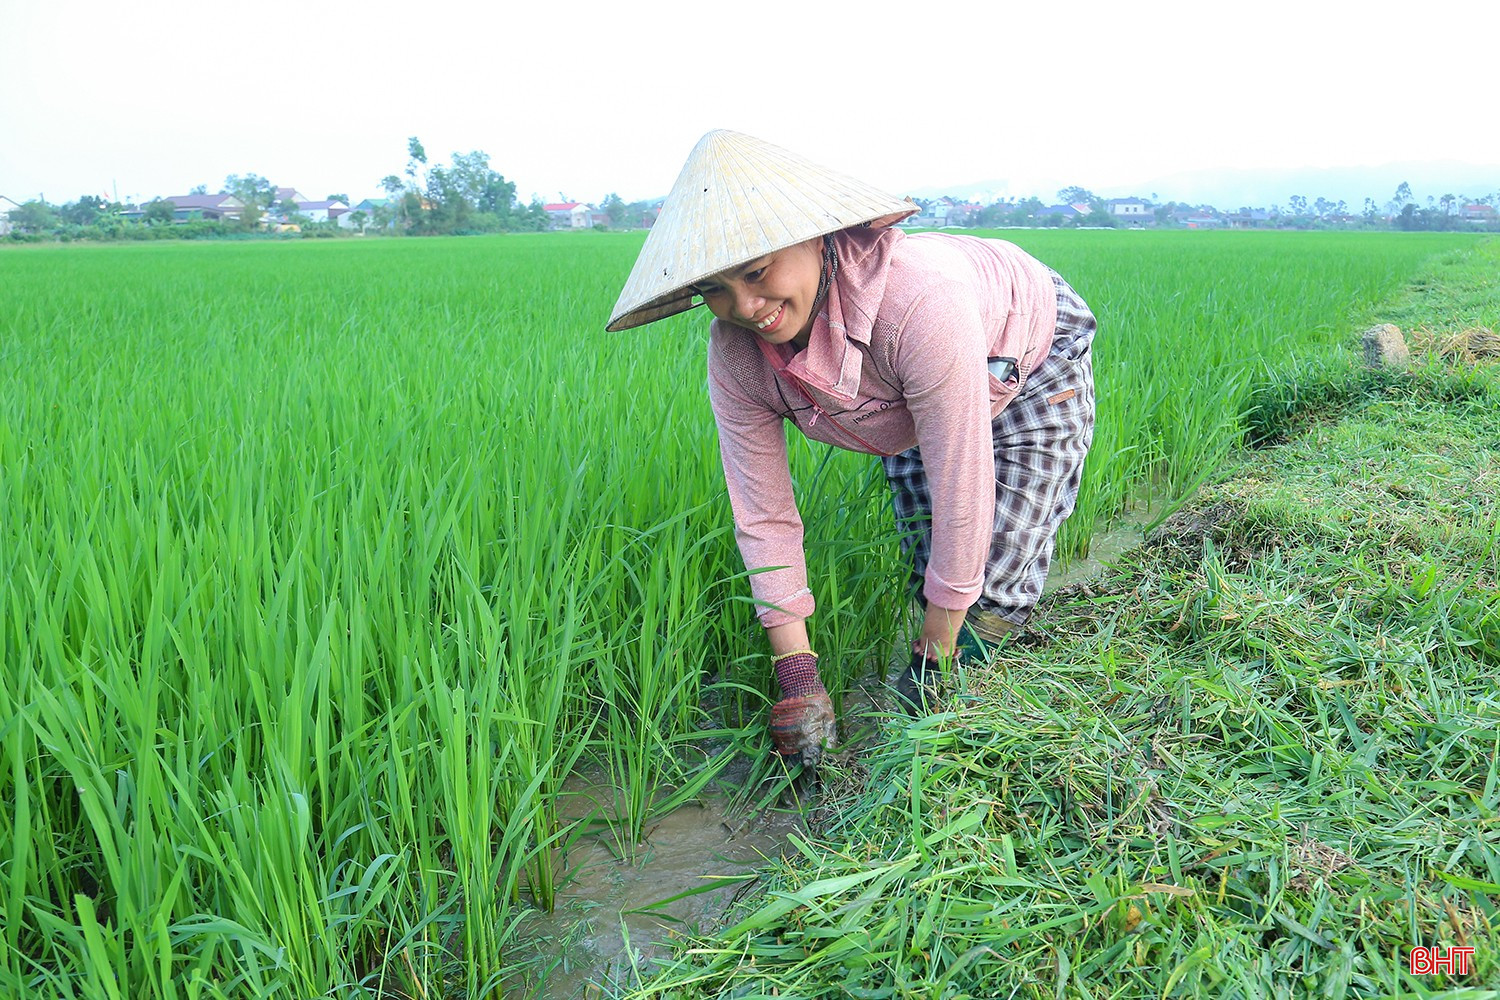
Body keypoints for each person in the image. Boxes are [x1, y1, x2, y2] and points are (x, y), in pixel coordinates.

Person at [607, 131, 1097, 766]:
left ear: (817, 237)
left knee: (994, 583)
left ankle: (964, 746)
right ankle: (939, 711)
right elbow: (764, 514)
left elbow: (962, 490)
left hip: (1025, 349)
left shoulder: (918, 305)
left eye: (757, 272)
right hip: (897, 398)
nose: (745, 306)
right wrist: (797, 678)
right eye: (716, 289)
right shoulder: (736, 355)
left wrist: (935, 655)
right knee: (930, 571)